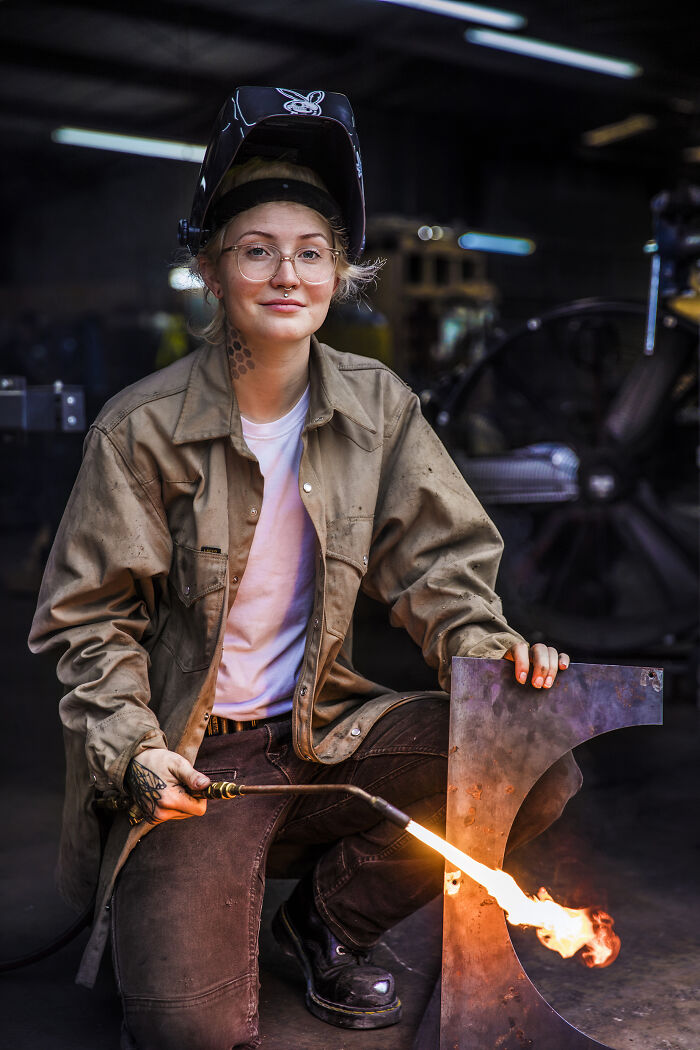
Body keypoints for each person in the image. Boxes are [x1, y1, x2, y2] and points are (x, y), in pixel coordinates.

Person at [29, 87, 580, 1050]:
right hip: (193, 763)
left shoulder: (379, 408)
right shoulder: (140, 428)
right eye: (256, 250)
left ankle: (325, 919)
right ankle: (181, 899)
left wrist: (493, 660)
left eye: (312, 252)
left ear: (340, 274)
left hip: (323, 734)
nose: (288, 273)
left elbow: (441, 565)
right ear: (210, 271)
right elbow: (90, 622)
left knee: (533, 766)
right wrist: (134, 751)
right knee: (188, 1031)